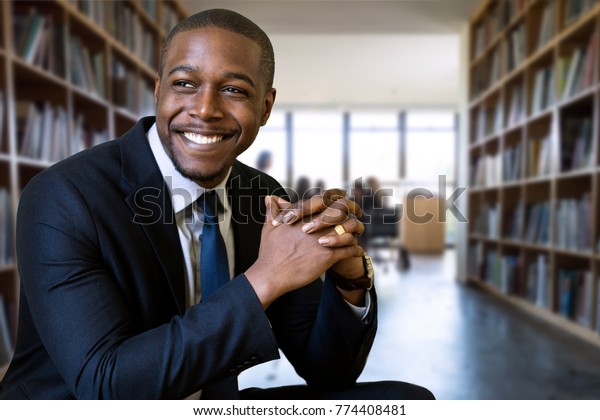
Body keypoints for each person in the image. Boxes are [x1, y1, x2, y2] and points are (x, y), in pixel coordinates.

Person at [0, 9, 433, 399]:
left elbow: (329, 372)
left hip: (208, 404)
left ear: (265, 107)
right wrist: (267, 277)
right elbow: (107, 385)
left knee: (410, 402)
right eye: (184, 84)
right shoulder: (63, 196)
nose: (204, 109)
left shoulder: (259, 193)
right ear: (158, 90)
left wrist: (348, 278)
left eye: (233, 90)